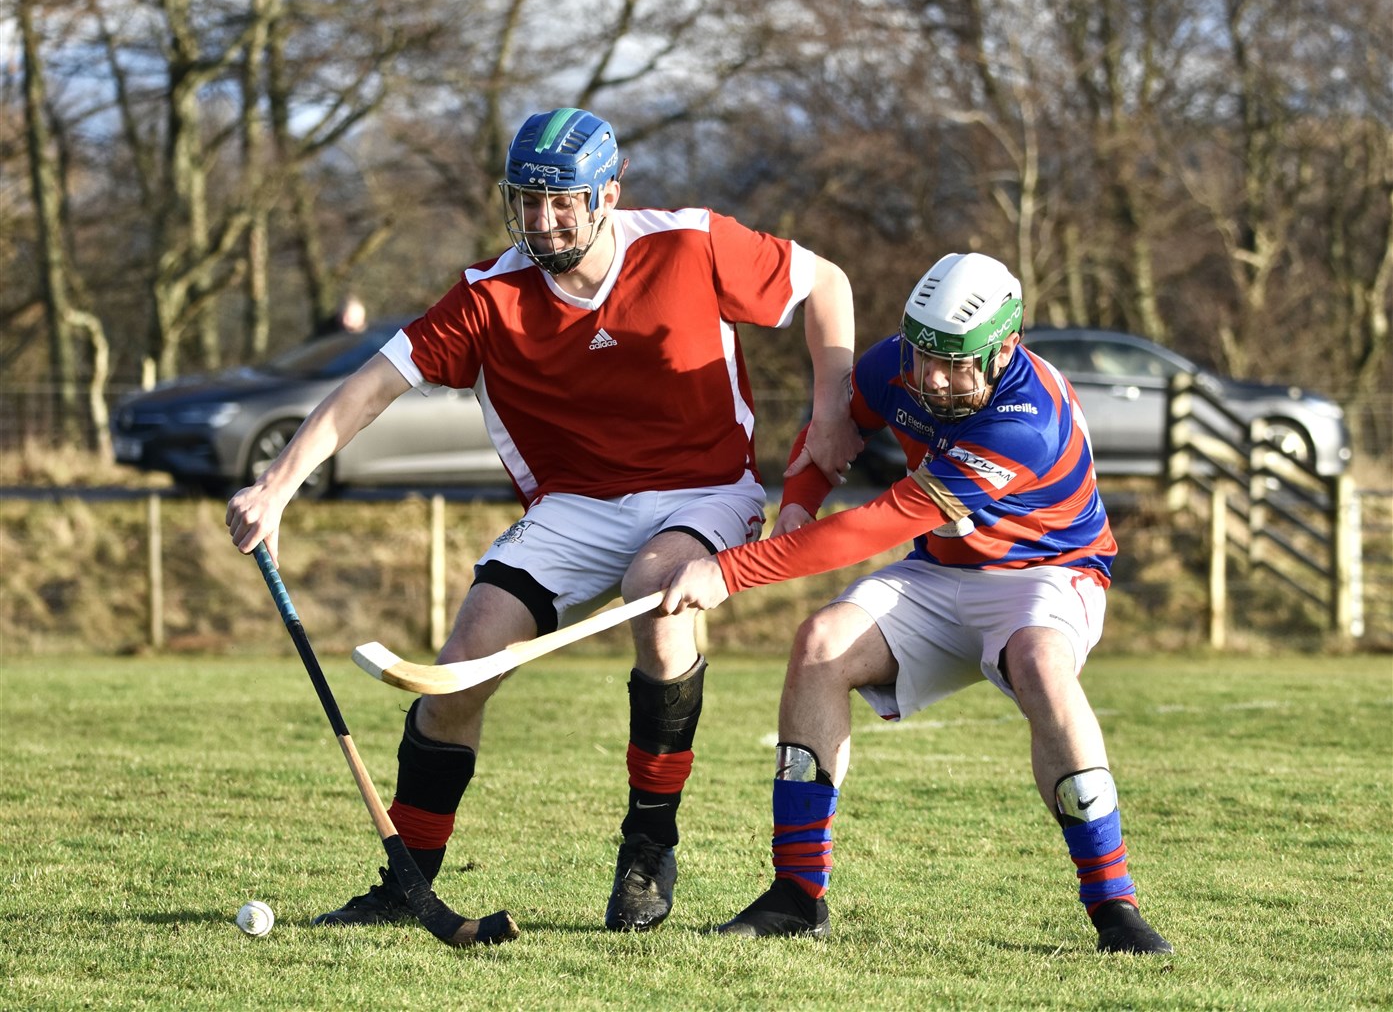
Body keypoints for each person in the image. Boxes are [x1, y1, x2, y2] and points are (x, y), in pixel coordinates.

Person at [225, 107, 861, 939]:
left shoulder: (689, 241)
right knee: (462, 665)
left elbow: (829, 285)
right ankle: (406, 883)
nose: (543, 220)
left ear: (609, 194)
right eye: (527, 200)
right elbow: (374, 385)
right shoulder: (489, 295)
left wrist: (830, 409)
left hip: (703, 489)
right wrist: (276, 486)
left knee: (659, 600)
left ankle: (647, 844)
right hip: (572, 507)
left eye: (562, 201)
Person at [659, 251, 1173, 954]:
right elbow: (830, 431)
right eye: (921, 354)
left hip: (1046, 573)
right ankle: (796, 894)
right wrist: (798, 506)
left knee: (1041, 663)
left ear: (1004, 348)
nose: (931, 378)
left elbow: (881, 522)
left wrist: (734, 570)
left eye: (954, 364)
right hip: (941, 569)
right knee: (818, 646)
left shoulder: (1024, 421)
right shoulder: (901, 363)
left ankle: (1114, 906)